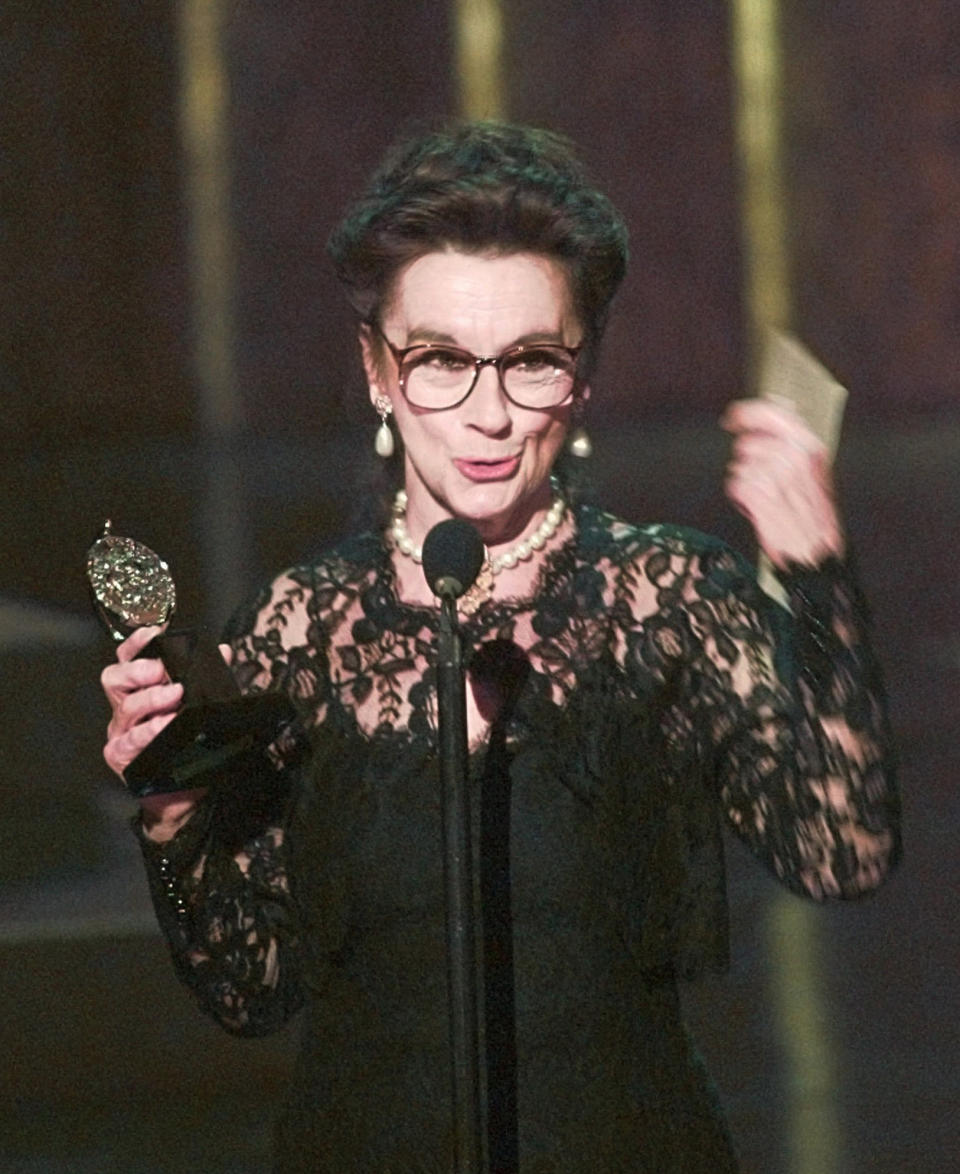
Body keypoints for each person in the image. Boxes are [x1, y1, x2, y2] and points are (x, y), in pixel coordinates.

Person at [101, 121, 900, 1173]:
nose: (486, 413)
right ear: (379, 371)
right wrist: (174, 814)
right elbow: (251, 989)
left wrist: (817, 582)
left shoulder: (664, 601)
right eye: (439, 360)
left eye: (530, 362)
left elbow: (839, 856)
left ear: (582, 377)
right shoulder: (298, 630)